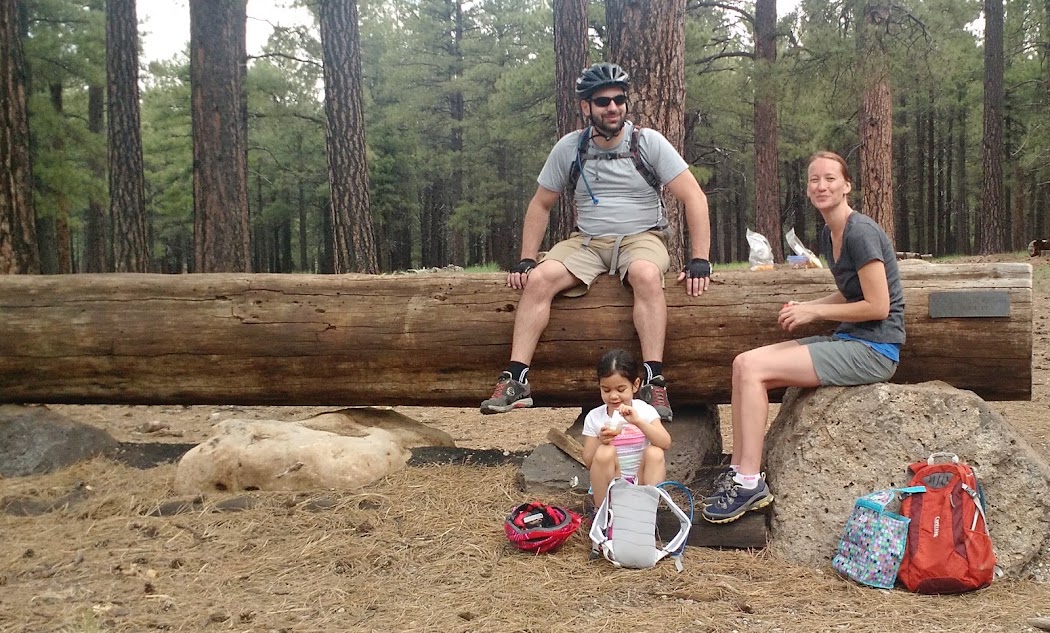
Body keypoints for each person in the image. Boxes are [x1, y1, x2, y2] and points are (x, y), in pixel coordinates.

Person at [480, 62, 712, 421]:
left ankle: (653, 381)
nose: (613, 107)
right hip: (588, 241)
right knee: (540, 278)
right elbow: (541, 204)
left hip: (642, 236)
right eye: (603, 101)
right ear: (586, 106)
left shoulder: (647, 143)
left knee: (646, 274)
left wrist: (700, 259)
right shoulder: (571, 148)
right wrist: (526, 258)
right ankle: (516, 379)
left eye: (619, 99)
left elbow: (693, 196)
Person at [701, 151, 906, 524]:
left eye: (830, 178)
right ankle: (738, 472)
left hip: (875, 349)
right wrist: (808, 305)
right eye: (814, 179)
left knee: (754, 370)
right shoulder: (831, 233)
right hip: (850, 339)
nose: (821, 186)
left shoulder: (860, 232)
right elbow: (850, 293)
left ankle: (749, 483)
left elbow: (878, 306)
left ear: (847, 186)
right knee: (743, 364)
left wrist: (815, 313)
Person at [581, 349, 671, 506]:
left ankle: (647, 509)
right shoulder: (595, 417)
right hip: (612, 482)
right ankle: (603, 511)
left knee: (655, 452)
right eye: (606, 390)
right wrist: (601, 440)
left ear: (635, 385)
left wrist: (638, 422)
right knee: (604, 452)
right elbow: (589, 462)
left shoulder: (644, 410)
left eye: (621, 389)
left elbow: (665, 442)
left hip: (639, 480)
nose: (613, 396)